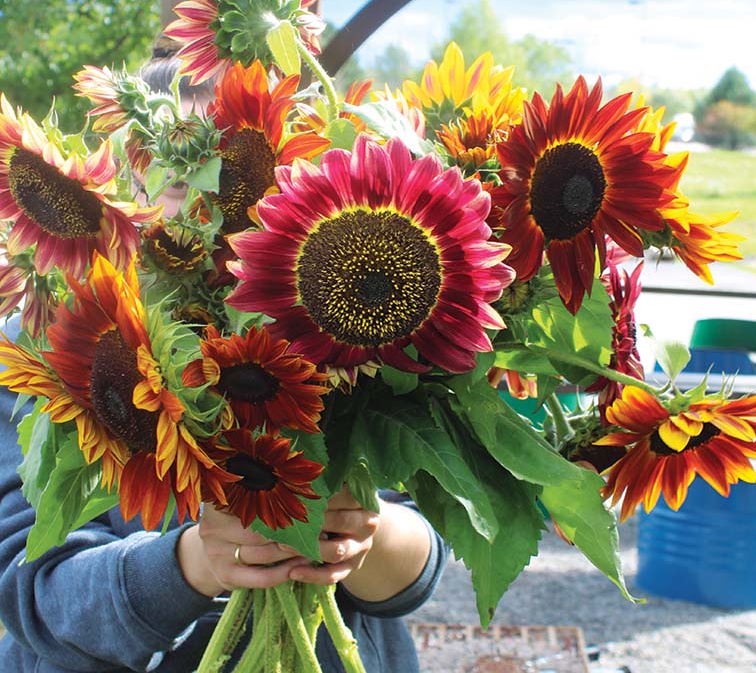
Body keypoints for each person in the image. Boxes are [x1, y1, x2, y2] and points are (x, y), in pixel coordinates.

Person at [0, 39, 447, 672]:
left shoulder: (345, 325)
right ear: (123, 184)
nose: (212, 197)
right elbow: (31, 592)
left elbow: (423, 562)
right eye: (178, 170)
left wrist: (359, 537)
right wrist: (196, 563)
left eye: (237, 171)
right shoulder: (51, 344)